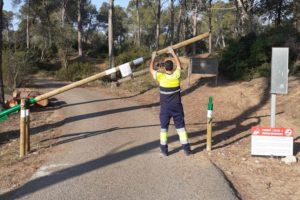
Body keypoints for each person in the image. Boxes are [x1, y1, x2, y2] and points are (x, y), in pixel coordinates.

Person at [149, 47, 193, 156]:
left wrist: (153, 57)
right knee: (181, 128)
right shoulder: (176, 76)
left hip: (165, 108)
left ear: (164, 68)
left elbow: (151, 69)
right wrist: (173, 53)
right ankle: (186, 149)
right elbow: (179, 65)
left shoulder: (161, 77)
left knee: (164, 129)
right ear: (172, 68)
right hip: (177, 107)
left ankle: (164, 150)